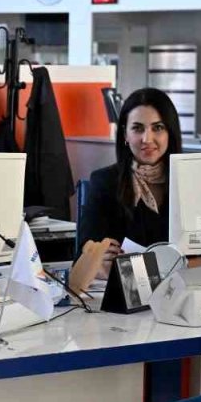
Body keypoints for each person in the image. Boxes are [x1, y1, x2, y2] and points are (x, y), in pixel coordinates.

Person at [77, 87, 184, 279]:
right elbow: (83, 256)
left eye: (158, 128)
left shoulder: (189, 180)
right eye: (138, 128)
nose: (147, 139)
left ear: (170, 132)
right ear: (125, 135)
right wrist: (97, 261)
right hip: (126, 291)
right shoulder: (104, 182)